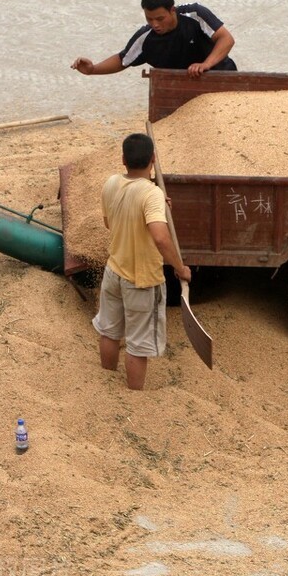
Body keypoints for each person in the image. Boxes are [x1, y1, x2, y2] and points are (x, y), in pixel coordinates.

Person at [92, 133, 192, 390]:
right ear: (153, 159)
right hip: (142, 280)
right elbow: (160, 237)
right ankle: (135, 397)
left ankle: (106, 379)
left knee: (109, 331)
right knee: (138, 343)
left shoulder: (111, 183)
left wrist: (157, 205)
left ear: (123, 159)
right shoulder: (152, 194)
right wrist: (179, 268)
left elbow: (109, 222)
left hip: (113, 271)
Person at [71, 0, 238, 79]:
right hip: (181, 90)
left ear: (172, 10)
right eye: (149, 19)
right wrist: (93, 69)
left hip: (221, 76)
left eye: (160, 18)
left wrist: (205, 65)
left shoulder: (195, 14)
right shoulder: (146, 37)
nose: (155, 24)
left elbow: (226, 39)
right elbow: (123, 60)